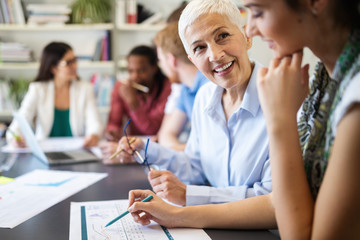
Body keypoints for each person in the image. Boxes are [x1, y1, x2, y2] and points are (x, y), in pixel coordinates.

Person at [126, 0, 360, 238]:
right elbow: (199, 165)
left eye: (257, 12)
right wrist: (150, 153)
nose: (252, 29)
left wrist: (182, 208)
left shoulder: (302, 94)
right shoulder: (324, 84)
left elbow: (278, 207)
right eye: (199, 48)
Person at [115, 0, 271, 207]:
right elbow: (197, 166)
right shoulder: (205, 96)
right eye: (199, 48)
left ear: (247, 36)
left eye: (222, 36)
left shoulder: (281, 96)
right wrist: (146, 150)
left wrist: (190, 195)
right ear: (192, 59)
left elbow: (271, 197)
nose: (214, 55)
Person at [6, 42, 103, 148]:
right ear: (53, 68)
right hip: (46, 152)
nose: (74, 65)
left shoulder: (85, 89)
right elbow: (19, 122)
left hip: (77, 151)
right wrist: (14, 138)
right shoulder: (38, 89)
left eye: (75, 60)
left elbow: (94, 122)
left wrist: (94, 135)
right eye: (68, 62)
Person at [100, 45, 171, 162]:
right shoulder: (121, 87)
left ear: (154, 68)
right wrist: (112, 132)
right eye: (130, 71)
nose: (135, 77)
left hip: (158, 151)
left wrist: (133, 103)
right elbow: (113, 122)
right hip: (131, 150)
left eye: (141, 71)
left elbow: (151, 129)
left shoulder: (168, 88)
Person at [155, 22, 209, 151]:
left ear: (171, 60)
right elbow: (166, 135)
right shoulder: (186, 88)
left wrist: (172, 150)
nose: (161, 67)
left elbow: (212, 150)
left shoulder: (210, 86)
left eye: (160, 60)